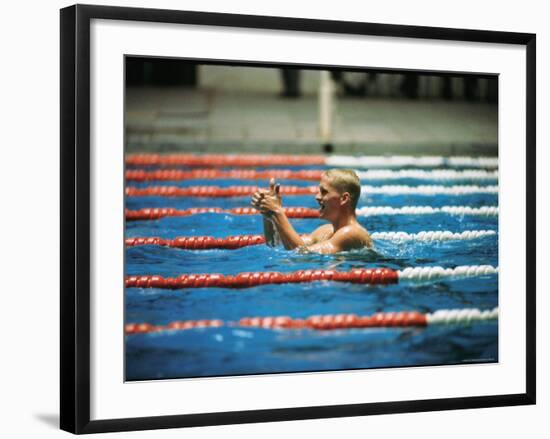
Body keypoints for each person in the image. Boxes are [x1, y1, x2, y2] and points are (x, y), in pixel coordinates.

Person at [251, 169, 372, 254]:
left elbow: (300, 254)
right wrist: (268, 214)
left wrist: (277, 211)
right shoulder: (326, 230)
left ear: (344, 198)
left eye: (324, 192)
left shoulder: (351, 233)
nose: (317, 197)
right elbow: (276, 245)